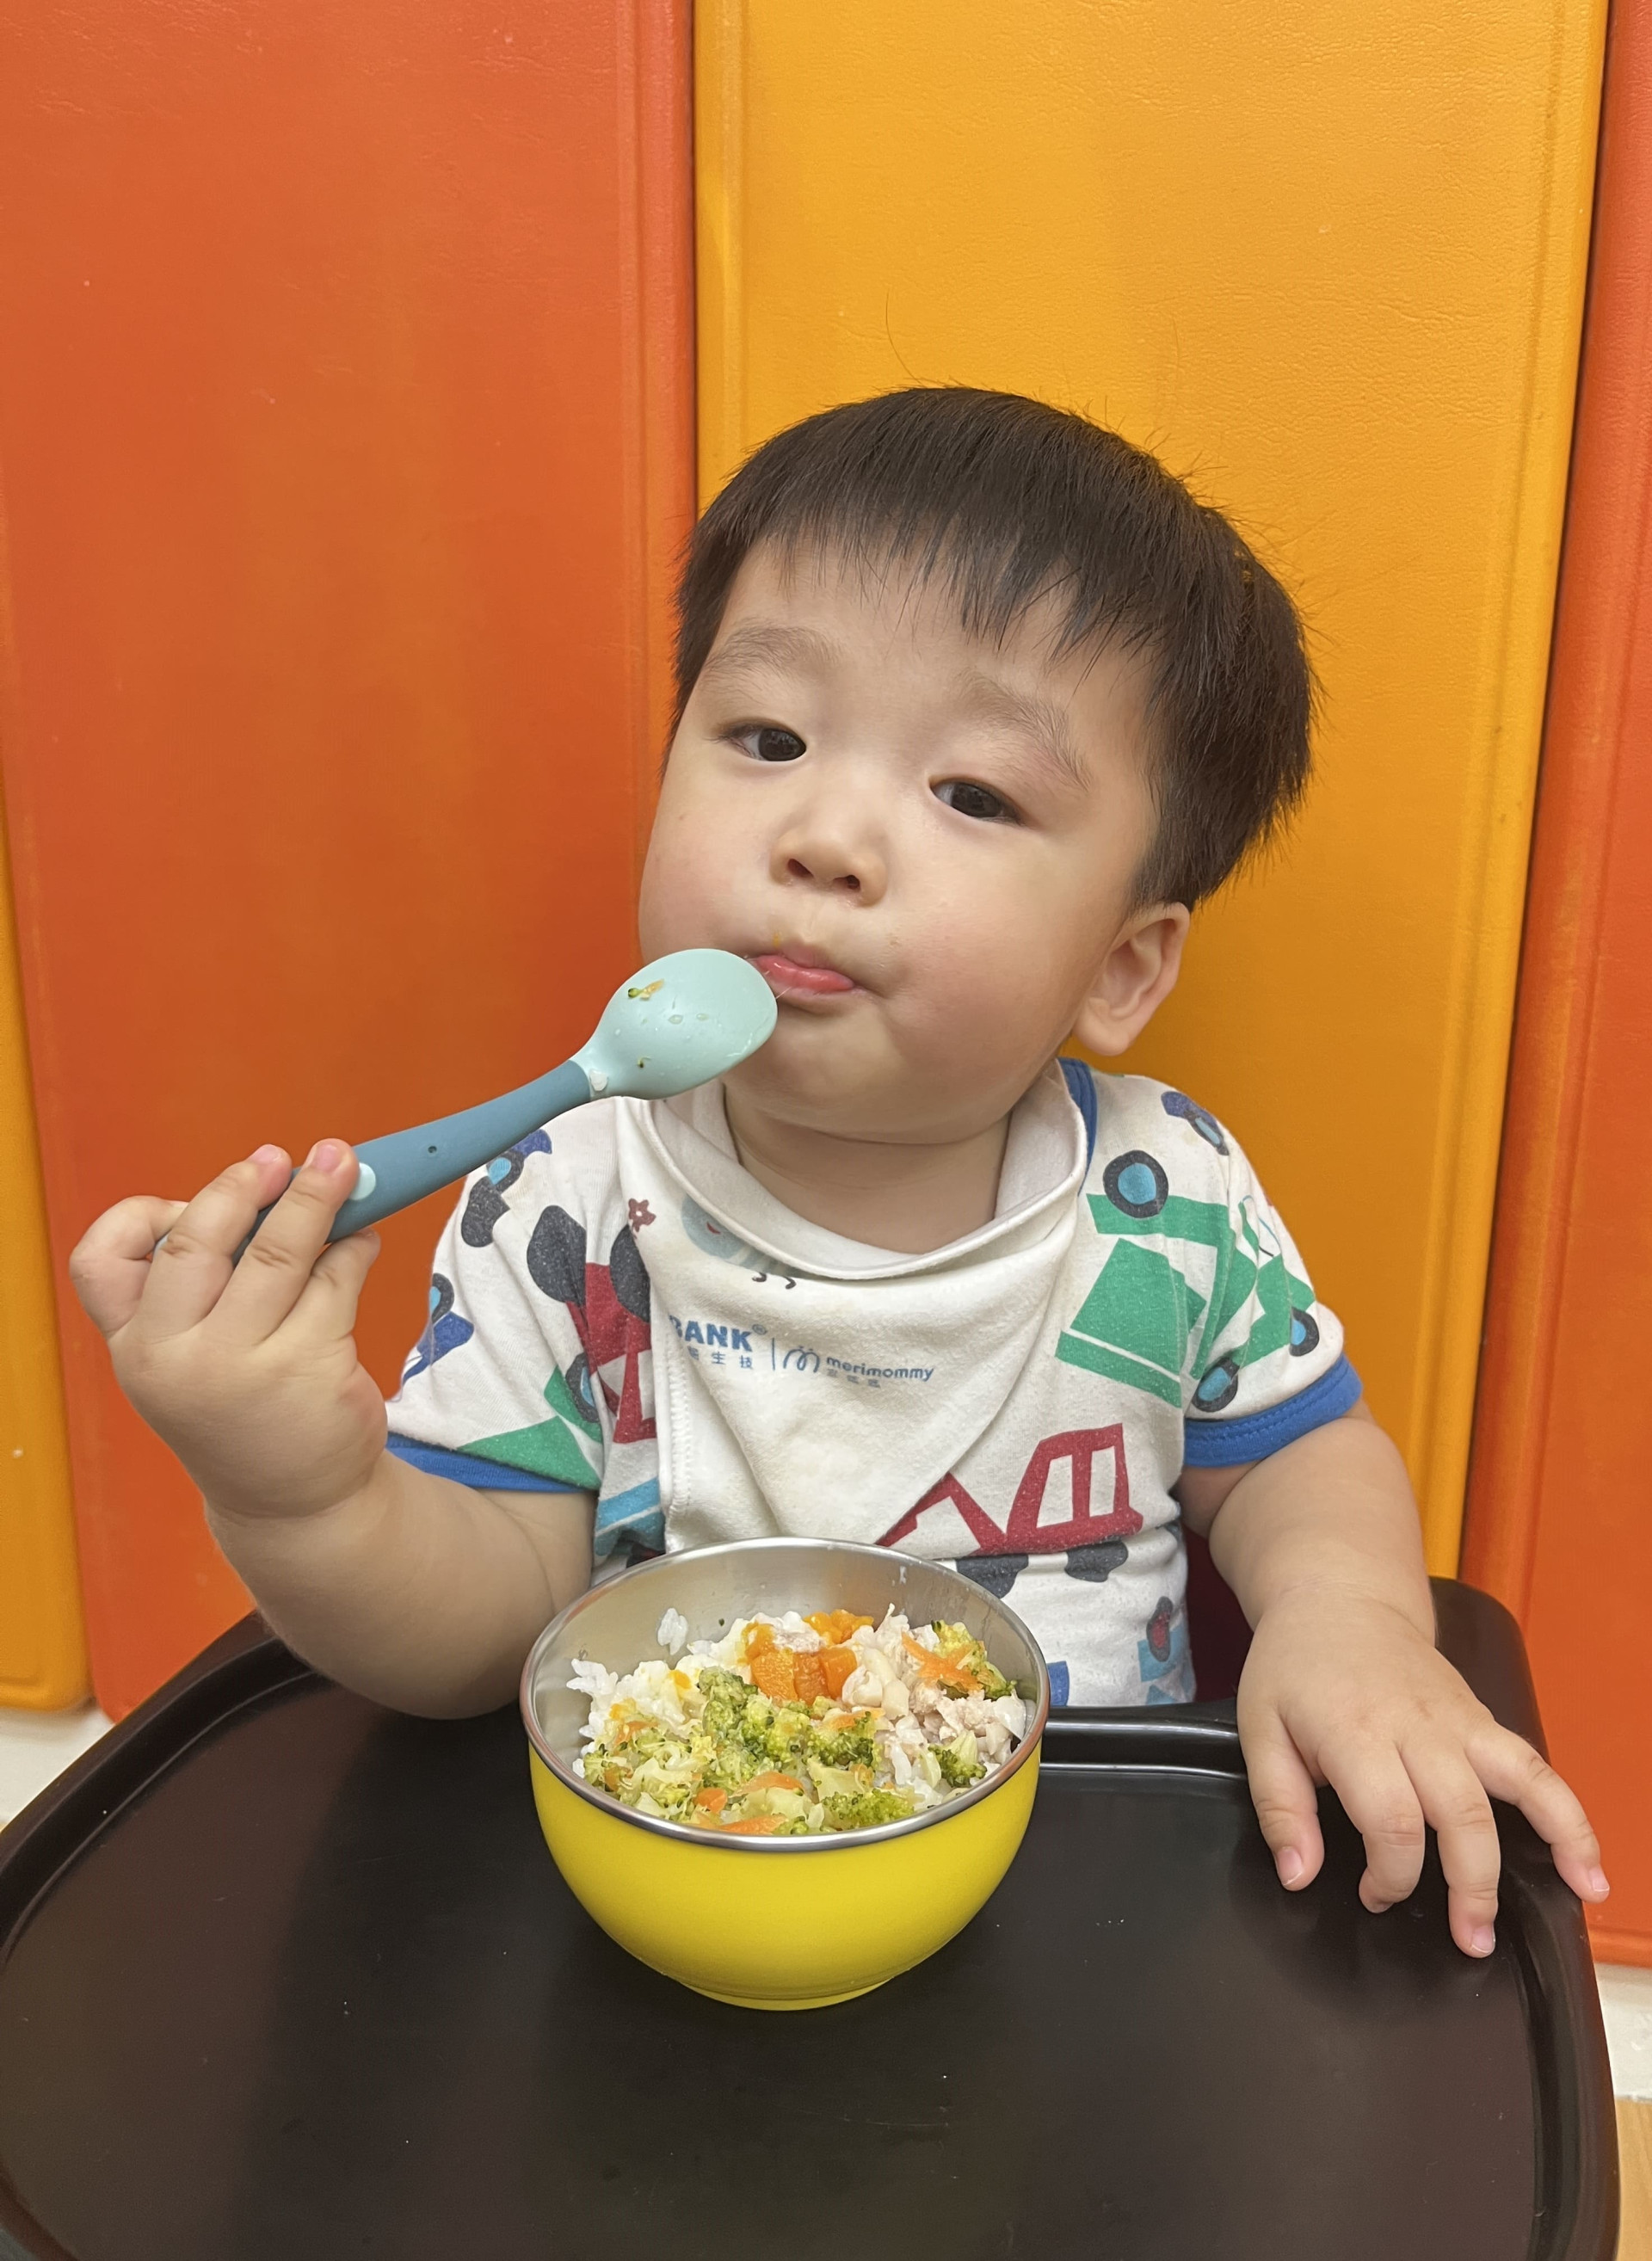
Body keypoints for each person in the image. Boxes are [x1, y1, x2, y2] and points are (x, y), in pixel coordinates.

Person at [71, 386, 1606, 1959]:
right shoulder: (566, 1200)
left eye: (973, 795)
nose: (824, 837)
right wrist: (300, 1492)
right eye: (768, 738)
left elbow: (1298, 1456)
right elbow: (477, 1638)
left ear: (1123, 967)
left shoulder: (1170, 1200)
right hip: (688, 1891)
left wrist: (1352, 1623)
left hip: (1096, 1897)